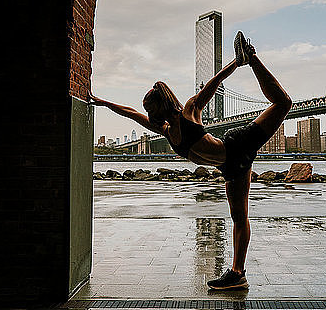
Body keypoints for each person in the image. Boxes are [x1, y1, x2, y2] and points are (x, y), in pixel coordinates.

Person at [89, 31, 291, 290]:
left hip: (237, 144)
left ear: (162, 105)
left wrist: (237, 62)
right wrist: (102, 102)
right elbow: (131, 114)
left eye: (152, 109)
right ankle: (237, 275)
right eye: (148, 110)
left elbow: (213, 84)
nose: (149, 114)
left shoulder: (189, 111)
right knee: (239, 217)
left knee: (283, 102)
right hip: (229, 166)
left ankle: (252, 59)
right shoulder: (165, 131)